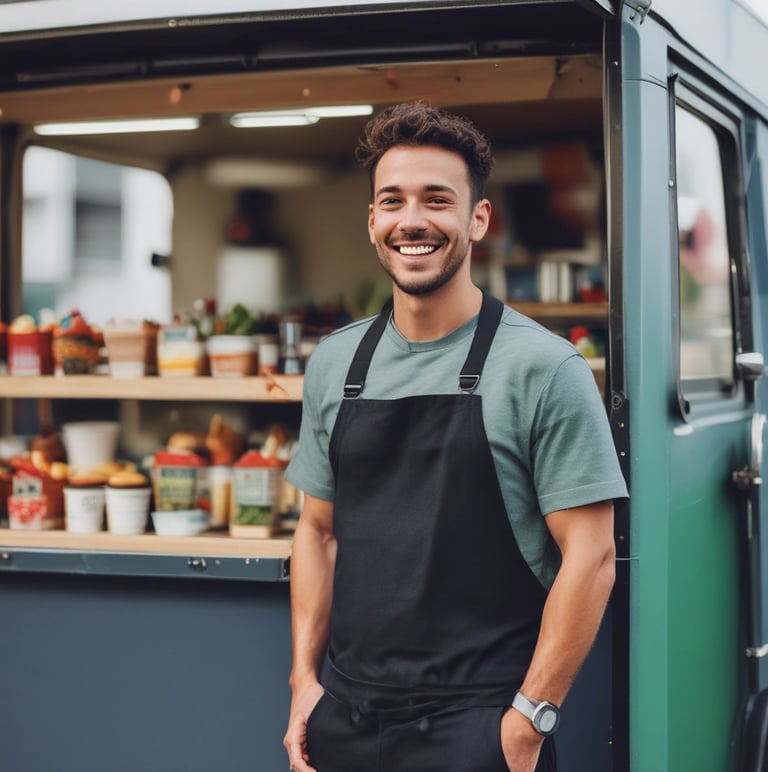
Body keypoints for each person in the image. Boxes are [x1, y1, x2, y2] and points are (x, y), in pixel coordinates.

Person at [283, 102, 628, 772]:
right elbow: (317, 532)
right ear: (373, 222)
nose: (412, 220)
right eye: (393, 201)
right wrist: (303, 683)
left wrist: (526, 725)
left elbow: (592, 558)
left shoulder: (543, 367)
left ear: (478, 219)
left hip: (478, 728)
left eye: (437, 200)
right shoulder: (335, 362)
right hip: (345, 721)